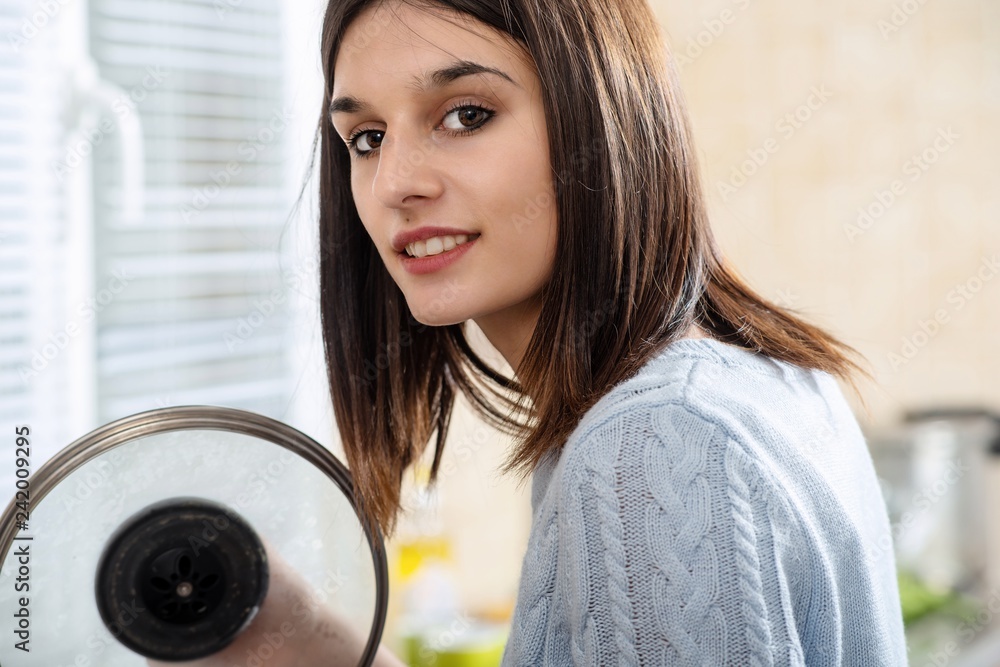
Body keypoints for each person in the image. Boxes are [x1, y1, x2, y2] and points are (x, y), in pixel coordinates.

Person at [153, 0, 909, 664]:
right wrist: (312, 639)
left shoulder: (649, 446)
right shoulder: (756, 377)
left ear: (604, 119)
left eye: (466, 114)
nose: (394, 183)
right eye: (367, 137)